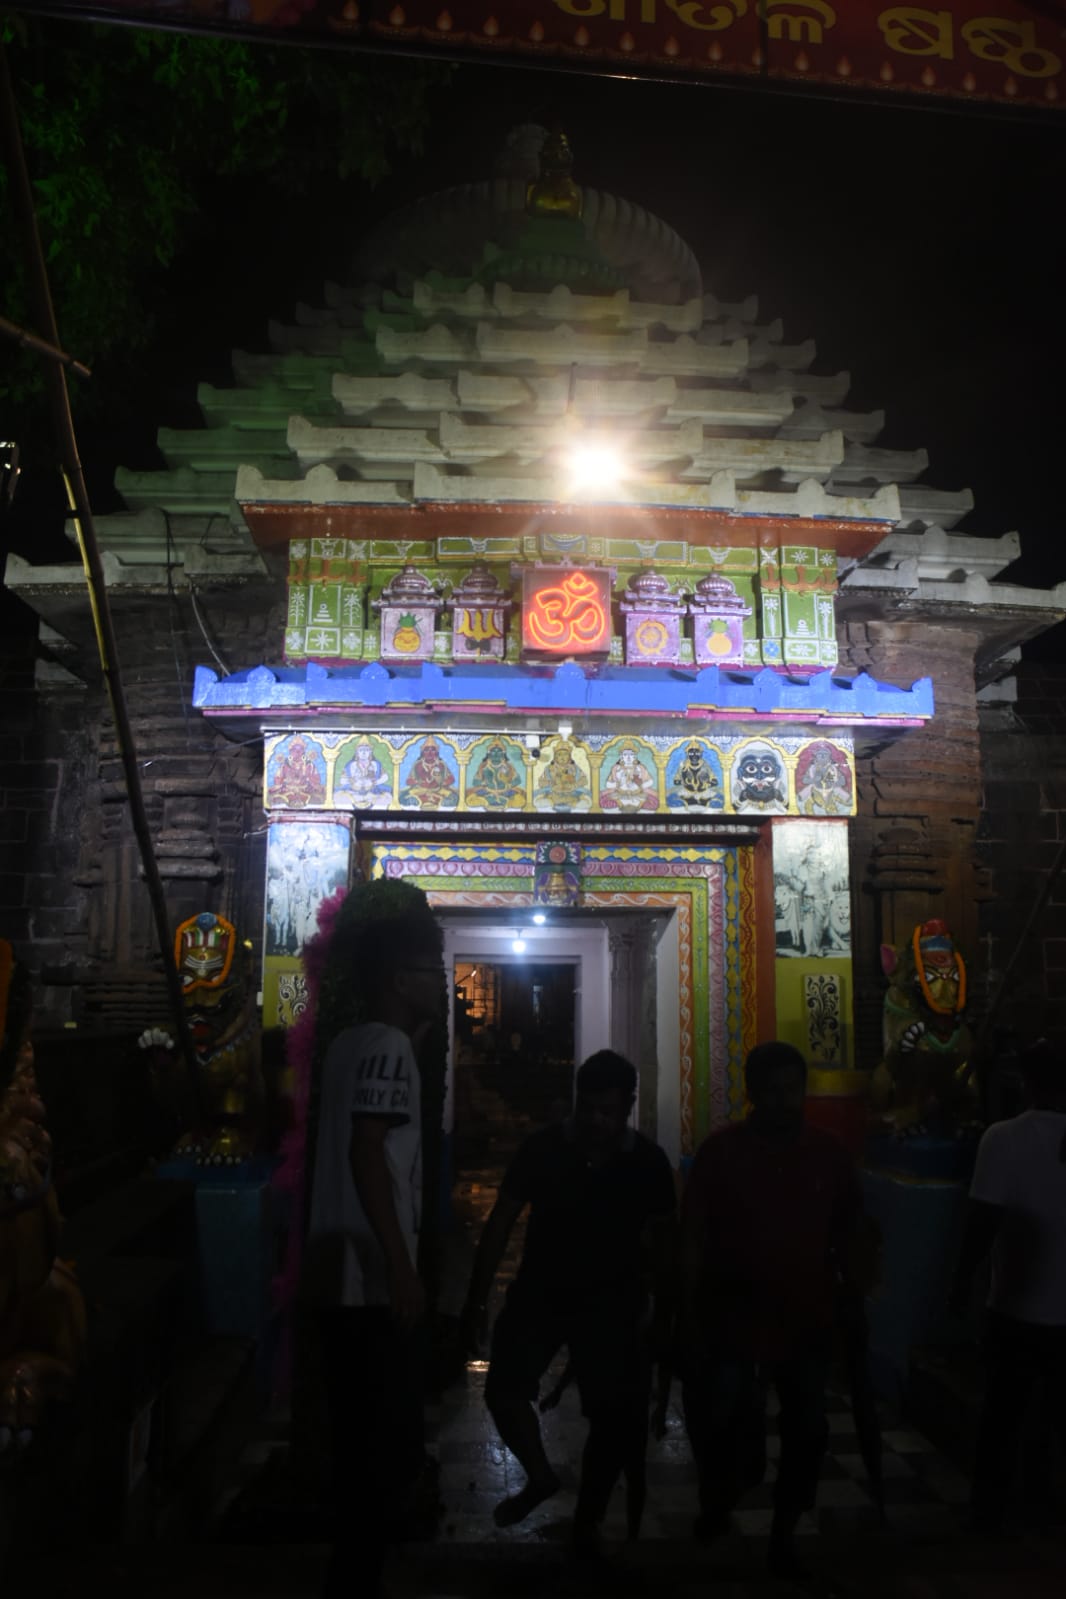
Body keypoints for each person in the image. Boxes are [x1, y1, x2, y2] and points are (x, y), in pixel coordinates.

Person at [461, 1050, 677, 1556]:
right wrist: (476, 1302)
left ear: (628, 1106)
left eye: (608, 1111)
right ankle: (540, 1476)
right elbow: (500, 1222)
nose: (596, 1121)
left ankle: (587, 1522)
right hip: (541, 1292)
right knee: (504, 1391)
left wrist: (665, 1317)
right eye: (588, 1109)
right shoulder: (543, 1148)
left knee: (611, 1420)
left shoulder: (647, 1162)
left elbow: (668, 1244)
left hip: (612, 1304)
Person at [302, 896, 444, 1599]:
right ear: (397, 979)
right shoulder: (388, 1049)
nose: (441, 981)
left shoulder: (350, 1044)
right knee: (380, 1441)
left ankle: (351, 1571)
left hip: (333, 1266)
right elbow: (368, 1153)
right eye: (430, 970)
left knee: (353, 1431)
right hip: (369, 1272)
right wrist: (401, 1265)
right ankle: (358, 1580)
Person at [679, 1041, 862, 1580]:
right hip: (733, 1320)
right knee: (725, 1428)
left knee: (807, 1432)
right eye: (773, 1091)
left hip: (806, 1321)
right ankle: (720, 1500)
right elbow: (693, 1237)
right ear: (752, 1093)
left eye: (792, 1090)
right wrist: (684, 1311)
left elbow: (849, 1235)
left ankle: (783, 1534)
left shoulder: (829, 1154)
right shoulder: (721, 1153)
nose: (784, 1101)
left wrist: (853, 1300)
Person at [949, 1038, 1066, 1534]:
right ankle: (1043, 1503)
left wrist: (960, 1285)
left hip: (1017, 1307)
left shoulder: (1003, 1139)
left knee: (1003, 1413)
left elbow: (983, 1222)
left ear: (1025, 1082)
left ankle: (989, 1513)